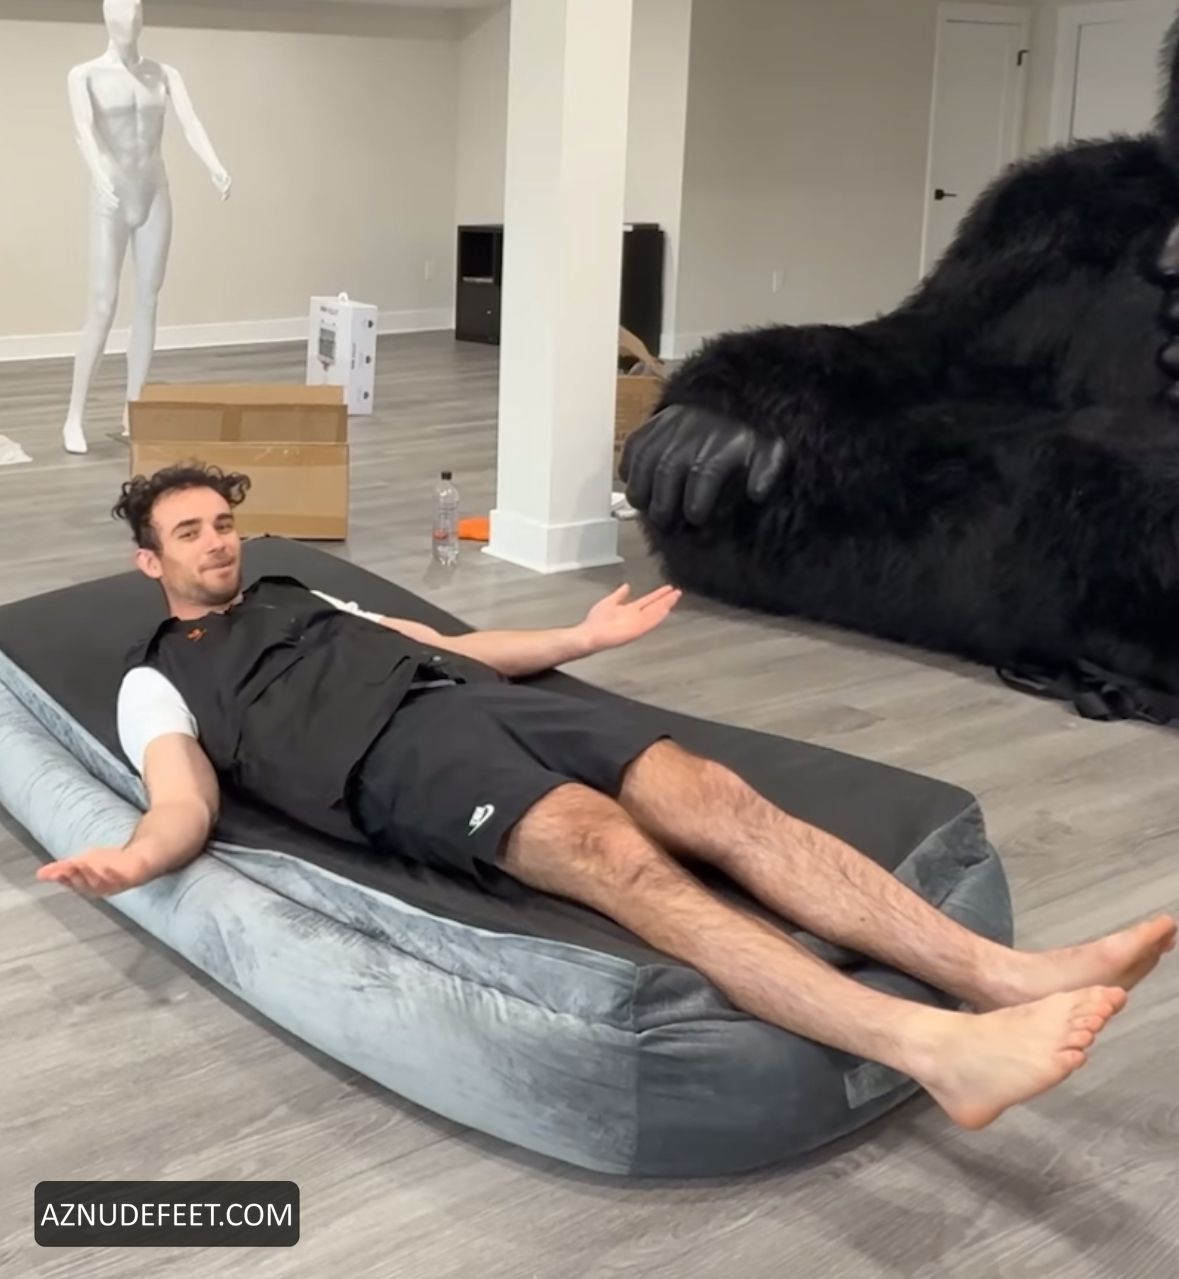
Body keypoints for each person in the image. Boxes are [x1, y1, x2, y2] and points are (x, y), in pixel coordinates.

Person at [38, 463, 1176, 1134]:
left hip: (470, 699)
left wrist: (584, 636)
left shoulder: (301, 589)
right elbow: (181, 800)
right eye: (189, 533)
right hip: (388, 758)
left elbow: (452, 642)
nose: (217, 544)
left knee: (715, 796)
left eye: (223, 523)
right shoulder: (158, 676)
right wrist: (132, 861)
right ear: (151, 561)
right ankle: (935, 1047)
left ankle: (1002, 974)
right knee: (614, 853)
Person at [61, 0, 232, 454]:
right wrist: (99, 176)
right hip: (112, 197)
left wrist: (214, 165)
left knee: (148, 303)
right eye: (120, 17)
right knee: (102, 307)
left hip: (155, 193)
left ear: (142, 21)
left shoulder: (164, 74)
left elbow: (190, 122)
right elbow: (83, 130)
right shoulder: (85, 75)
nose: (128, 25)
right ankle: (73, 416)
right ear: (107, 19)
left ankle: (133, 410)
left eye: (134, 17)